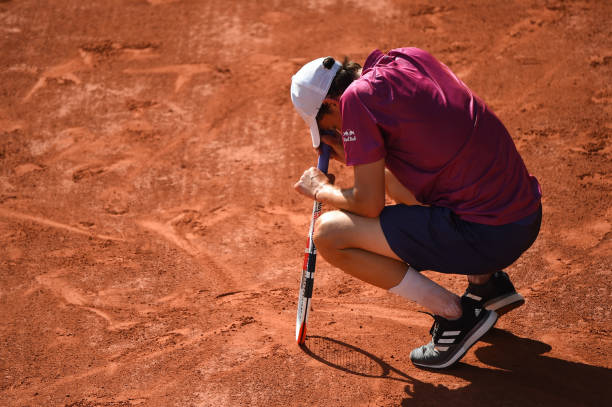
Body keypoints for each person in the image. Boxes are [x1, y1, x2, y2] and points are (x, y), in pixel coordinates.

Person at [290, 47, 542, 369]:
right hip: (523, 216)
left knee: (329, 234)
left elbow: (368, 204)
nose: (333, 134)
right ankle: (487, 284)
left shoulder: (354, 100)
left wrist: (322, 190)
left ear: (328, 104)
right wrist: (351, 147)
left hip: (488, 236)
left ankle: (456, 316)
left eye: (327, 127)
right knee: (390, 174)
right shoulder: (407, 59)